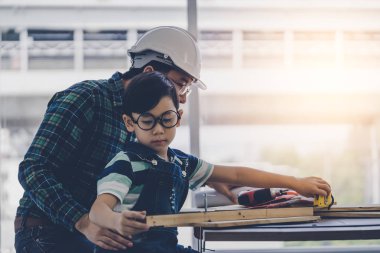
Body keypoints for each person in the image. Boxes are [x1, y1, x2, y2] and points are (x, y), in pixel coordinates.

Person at [14, 26, 234, 253]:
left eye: (187, 88)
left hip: (95, 233)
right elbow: (33, 169)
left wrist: (206, 177)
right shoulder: (86, 98)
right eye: (180, 84)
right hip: (47, 232)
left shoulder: (140, 122)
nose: (182, 98)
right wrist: (83, 222)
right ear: (149, 73)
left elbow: (156, 164)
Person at [88, 71, 331, 253]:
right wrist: (116, 221)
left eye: (166, 118)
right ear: (129, 123)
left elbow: (236, 175)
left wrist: (296, 182)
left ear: (179, 117)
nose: (159, 130)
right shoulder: (125, 163)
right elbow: (98, 210)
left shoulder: (181, 163)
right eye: (147, 121)